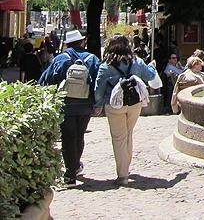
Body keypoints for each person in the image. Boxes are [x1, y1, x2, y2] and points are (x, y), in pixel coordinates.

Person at [38, 30, 100, 187]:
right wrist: (97, 102)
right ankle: (75, 166)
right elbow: (97, 82)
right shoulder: (92, 59)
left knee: (68, 137)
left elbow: (46, 80)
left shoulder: (60, 59)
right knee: (79, 135)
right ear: (82, 42)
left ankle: (70, 174)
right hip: (85, 105)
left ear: (67, 44)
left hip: (65, 104)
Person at [93, 34, 157, 185]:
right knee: (128, 134)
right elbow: (150, 76)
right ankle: (126, 168)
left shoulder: (106, 66)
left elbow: (98, 88)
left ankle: (122, 175)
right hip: (134, 102)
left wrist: (97, 105)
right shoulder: (137, 61)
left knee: (119, 138)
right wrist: (152, 65)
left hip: (114, 104)